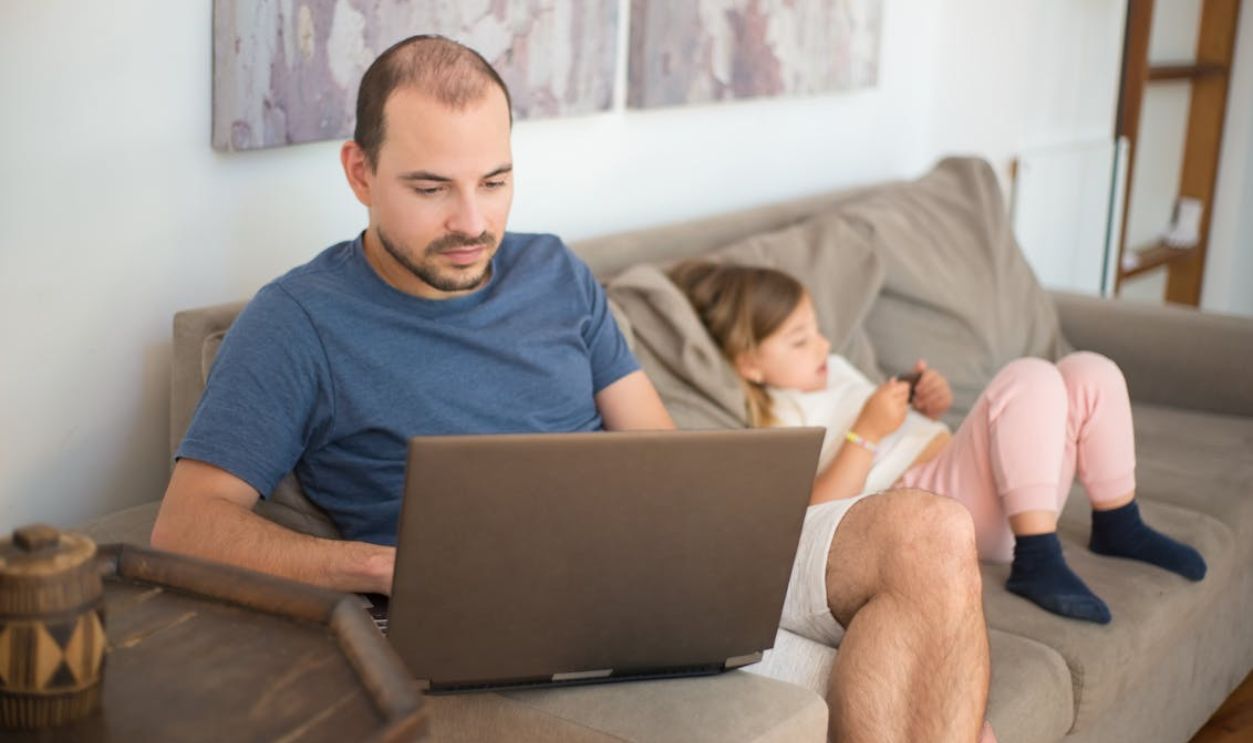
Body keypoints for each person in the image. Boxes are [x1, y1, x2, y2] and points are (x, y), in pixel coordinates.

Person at [153, 35, 994, 742]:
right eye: (430, 188)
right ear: (359, 172)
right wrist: (378, 565)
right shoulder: (296, 321)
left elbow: (657, 455)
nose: (473, 223)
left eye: (493, 180)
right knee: (914, 679)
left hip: (660, 561)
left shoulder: (554, 270)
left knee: (931, 530)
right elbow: (186, 526)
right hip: (508, 619)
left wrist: (726, 530)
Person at [669, 260, 1207, 626]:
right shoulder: (775, 415)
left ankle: (1119, 522)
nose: (823, 344)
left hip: (1003, 482)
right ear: (749, 363)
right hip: (930, 503)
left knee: (1090, 369)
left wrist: (927, 405)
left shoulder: (831, 368)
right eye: (798, 338)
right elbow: (814, 515)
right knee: (1029, 377)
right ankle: (1038, 559)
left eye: (816, 327)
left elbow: (900, 420)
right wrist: (868, 431)